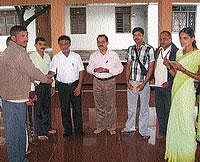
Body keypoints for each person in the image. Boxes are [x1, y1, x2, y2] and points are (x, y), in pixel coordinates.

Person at [0, 25, 52, 162]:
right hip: (12, 100)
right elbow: (31, 70)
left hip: (16, 98)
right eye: (22, 36)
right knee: (14, 133)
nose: (26, 38)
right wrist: (46, 79)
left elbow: (24, 73)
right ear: (13, 38)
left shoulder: (16, 50)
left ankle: (20, 158)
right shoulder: (16, 52)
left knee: (19, 131)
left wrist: (30, 91)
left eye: (27, 35)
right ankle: (16, 159)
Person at [164, 27, 200, 162]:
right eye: (180, 38)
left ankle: (187, 154)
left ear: (193, 39)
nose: (182, 41)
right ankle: (176, 151)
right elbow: (176, 75)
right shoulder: (179, 53)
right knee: (175, 121)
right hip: (176, 90)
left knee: (186, 122)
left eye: (185, 38)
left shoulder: (198, 54)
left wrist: (183, 69)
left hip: (188, 92)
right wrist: (169, 67)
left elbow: (198, 77)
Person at [121, 27, 155, 140]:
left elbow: (151, 67)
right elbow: (128, 65)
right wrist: (127, 82)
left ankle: (144, 130)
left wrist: (144, 83)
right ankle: (129, 127)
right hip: (132, 82)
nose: (136, 37)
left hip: (143, 83)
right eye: (134, 35)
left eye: (139, 35)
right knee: (131, 107)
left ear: (143, 35)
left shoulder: (149, 49)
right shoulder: (131, 49)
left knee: (144, 108)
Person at [87, 34, 123, 135]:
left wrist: (108, 70)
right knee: (99, 105)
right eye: (98, 42)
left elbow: (120, 68)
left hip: (109, 81)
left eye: (103, 42)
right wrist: (95, 69)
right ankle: (100, 126)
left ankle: (111, 127)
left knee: (110, 105)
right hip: (97, 81)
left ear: (107, 43)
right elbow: (88, 69)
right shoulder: (93, 55)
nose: (100, 44)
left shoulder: (113, 55)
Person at [48, 35, 84, 137]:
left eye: (66, 44)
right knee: (64, 109)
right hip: (62, 87)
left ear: (69, 44)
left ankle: (78, 130)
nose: (64, 46)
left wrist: (79, 86)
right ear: (59, 45)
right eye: (61, 44)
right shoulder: (56, 57)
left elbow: (81, 71)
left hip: (75, 85)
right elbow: (52, 71)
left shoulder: (76, 56)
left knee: (77, 109)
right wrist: (46, 76)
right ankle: (68, 131)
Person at [29, 37, 56, 140]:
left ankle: (47, 128)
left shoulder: (47, 56)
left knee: (47, 108)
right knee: (38, 109)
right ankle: (40, 132)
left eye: (44, 45)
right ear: (35, 45)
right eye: (40, 44)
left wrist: (53, 86)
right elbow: (31, 73)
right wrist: (32, 89)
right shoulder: (31, 57)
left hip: (47, 85)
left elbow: (51, 71)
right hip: (38, 85)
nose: (42, 47)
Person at [154, 31, 178, 139]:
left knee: (169, 110)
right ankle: (163, 131)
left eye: (165, 39)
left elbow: (178, 71)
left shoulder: (176, 52)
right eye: (161, 39)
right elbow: (154, 66)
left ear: (170, 39)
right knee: (159, 110)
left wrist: (170, 82)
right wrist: (151, 78)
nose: (162, 41)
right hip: (157, 85)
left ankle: (170, 132)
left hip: (168, 86)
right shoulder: (158, 50)